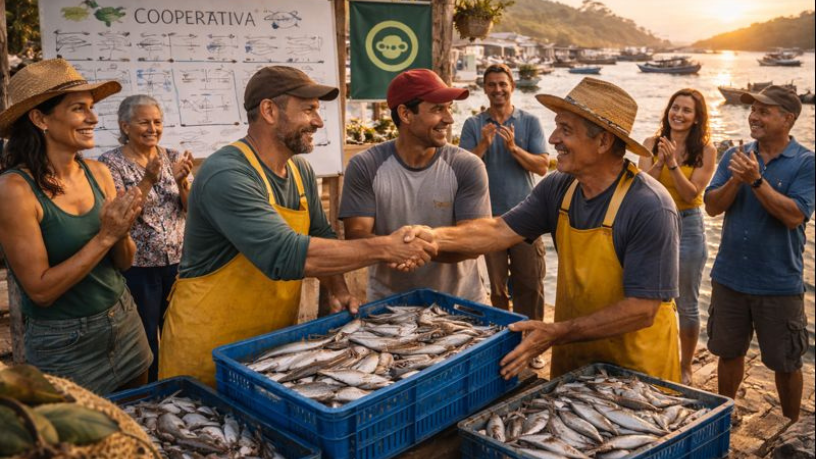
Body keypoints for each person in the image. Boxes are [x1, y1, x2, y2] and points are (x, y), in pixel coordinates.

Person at [159, 66, 437, 386]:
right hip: (207, 353)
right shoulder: (227, 174)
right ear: (269, 111)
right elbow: (287, 255)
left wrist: (339, 290)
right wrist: (386, 247)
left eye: (317, 111)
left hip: (267, 348)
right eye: (308, 110)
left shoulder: (301, 171)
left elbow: (318, 234)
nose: (318, 122)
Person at [411, 77, 681, 382]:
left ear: (604, 141)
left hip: (636, 372)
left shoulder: (650, 206)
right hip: (574, 360)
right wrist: (430, 238)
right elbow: (498, 230)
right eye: (556, 127)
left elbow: (642, 310)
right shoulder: (559, 186)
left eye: (566, 130)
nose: (553, 139)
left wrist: (557, 331)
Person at [0, 59, 152, 394]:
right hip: (64, 344)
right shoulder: (15, 190)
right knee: (84, 443)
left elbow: (124, 263)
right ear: (40, 118)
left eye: (92, 108)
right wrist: (106, 235)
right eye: (79, 108)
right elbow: (40, 291)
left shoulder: (98, 173)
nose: (93, 118)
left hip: (124, 319)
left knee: (141, 421)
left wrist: (122, 230)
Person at [704, 86, 814, 422]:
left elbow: (794, 215)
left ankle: (792, 425)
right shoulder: (734, 156)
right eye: (753, 110)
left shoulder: (806, 163)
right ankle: (726, 415)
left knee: (786, 362)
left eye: (764, 111)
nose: (754, 116)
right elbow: (711, 207)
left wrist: (755, 181)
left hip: (779, 283)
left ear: (788, 119)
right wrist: (736, 180)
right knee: (728, 352)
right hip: (729, 278)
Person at [339, 69, 490, 303]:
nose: (449, 119)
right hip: (388, 308)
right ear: (405, 114)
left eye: (449, 107)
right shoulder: (365, 166)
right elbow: (356, 234)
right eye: (438, 109)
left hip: (462, 305)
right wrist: (394, 248)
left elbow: (474, 240)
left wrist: (414, 247)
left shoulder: (468, 166)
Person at [99, 95, 194, 383]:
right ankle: (150, 392)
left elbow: (191, 208)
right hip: (138, 266)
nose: (153, 128)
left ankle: (176, 385)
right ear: (125, 126)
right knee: (144, 335)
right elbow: (121, 213)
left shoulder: (173, 156)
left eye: (157, 121)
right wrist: (149, 179)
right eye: (144, 122)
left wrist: (181, 181)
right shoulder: (109, 164)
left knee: (178, 331)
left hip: (177, 261)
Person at [638, 89, 716, 385]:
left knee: (687, 302)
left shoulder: (706, 151)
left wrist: (672, 163)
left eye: (686, 110)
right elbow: (642, 187)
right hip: (655, 224)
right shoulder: (649, 144)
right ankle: (652, 355)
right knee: (649, 295)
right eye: (675, 108)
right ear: (668, 110)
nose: (679, 114)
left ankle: (685, 365)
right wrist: (659, 160)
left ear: (697, 119)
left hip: (688, 227)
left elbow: (691, 193)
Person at [459, 63, 548, 324]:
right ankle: (503, 339)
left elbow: (542, 167)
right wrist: (484, 144)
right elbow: (461, 170)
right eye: (492, 85)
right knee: (497, 289)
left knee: (530, 286)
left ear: (513, 87)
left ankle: (531, 342)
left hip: (527, 218)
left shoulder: (529, 122)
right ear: (484, 89)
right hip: (488, 218)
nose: (498, 89)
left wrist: (514, 149)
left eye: (502, 84)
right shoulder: (473, 124)